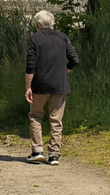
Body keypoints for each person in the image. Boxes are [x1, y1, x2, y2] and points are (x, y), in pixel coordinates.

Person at [25, 9, 79, 164]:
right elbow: (75, 59)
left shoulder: (34, 38)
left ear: (37, 25)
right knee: (56, 120)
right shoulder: (63, 37)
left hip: (40, 84)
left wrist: (28, 87)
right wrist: (65, 71)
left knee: (35, 116)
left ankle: (37, 151)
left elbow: (30, 65)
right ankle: (54, 154)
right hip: (59, 84)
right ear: (53, 24)